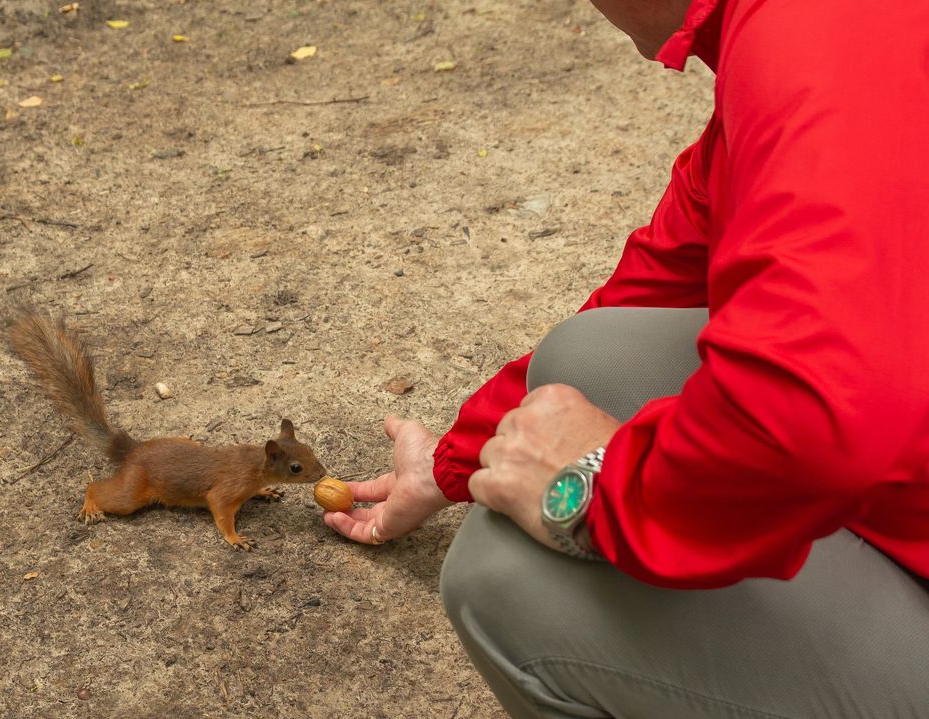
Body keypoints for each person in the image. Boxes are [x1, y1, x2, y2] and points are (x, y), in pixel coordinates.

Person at [326, 0, 929, 716]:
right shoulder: (810, 38)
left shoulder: (804, 41)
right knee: (593, 355)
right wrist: (449, 463)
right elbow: (653, 288)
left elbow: (817, 423)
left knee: (504, 576)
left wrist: (593, 491)